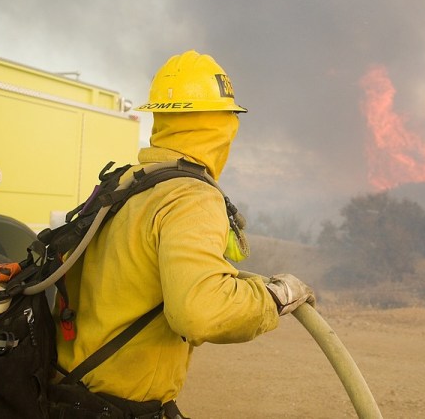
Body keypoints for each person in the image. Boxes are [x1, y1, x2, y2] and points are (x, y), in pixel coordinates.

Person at [54, 50, 315, 416]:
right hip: (118, 405)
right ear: (222, 125)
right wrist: (275, 297)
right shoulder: (191, 198)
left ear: (162, 117)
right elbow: (199, 313)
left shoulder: (125, 181)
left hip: (66, 393)